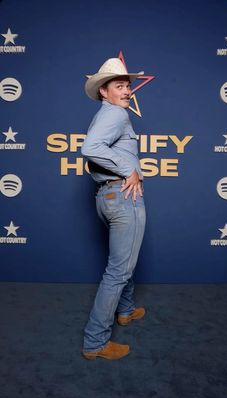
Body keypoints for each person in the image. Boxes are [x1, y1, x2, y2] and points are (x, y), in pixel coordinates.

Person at [81, 57, 146, 360]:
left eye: (128, 85)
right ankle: (95, 343)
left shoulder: (108, 113)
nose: (127, 90)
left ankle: (126, 310)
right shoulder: (116, 116)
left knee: (123, 260)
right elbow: (91, 148)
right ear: (104, 91)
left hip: (107, 198)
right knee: (119, 270)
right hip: (122, 197)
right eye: (119, 86)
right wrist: (127, 170)